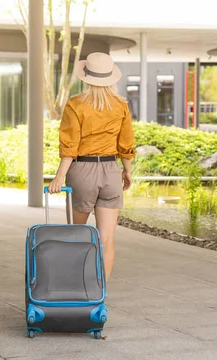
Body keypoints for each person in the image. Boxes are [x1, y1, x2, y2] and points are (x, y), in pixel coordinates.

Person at [48, 52, 135, 282]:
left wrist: (59, 177)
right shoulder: (121, 105)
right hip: (111, 170)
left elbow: (70, 145)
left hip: (82, 171)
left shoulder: (75, 105)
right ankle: (99, 294)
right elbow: (125, 144)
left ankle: (78, 289)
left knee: (77, 234)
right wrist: (127, 171)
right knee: (106, 240)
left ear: (86, 77)